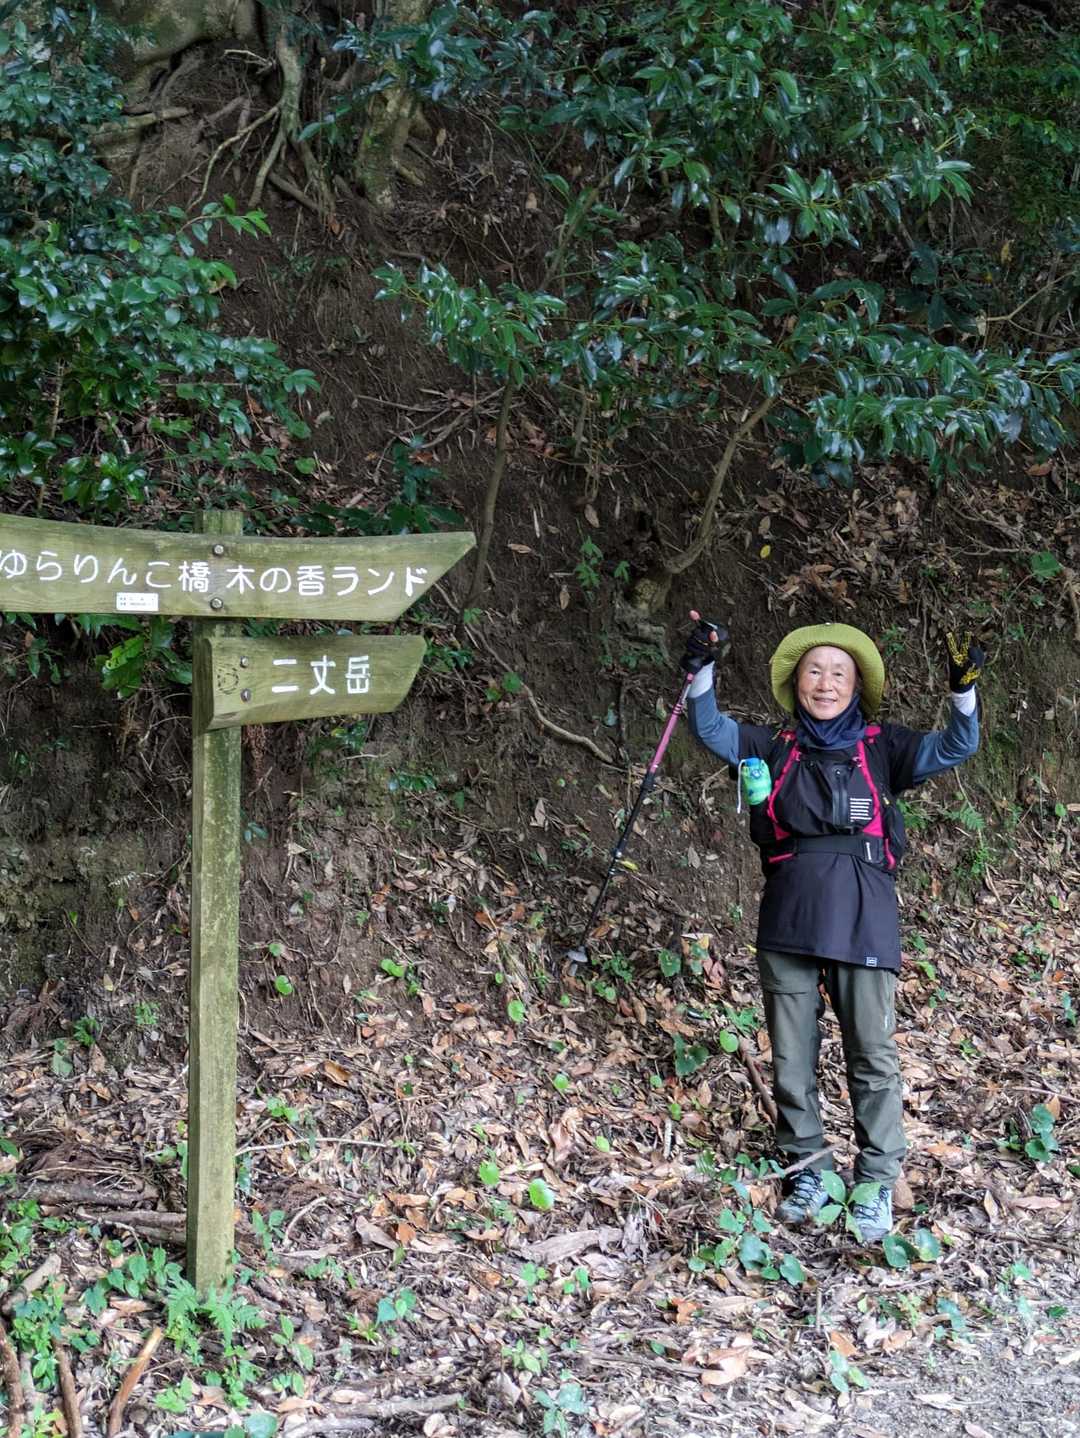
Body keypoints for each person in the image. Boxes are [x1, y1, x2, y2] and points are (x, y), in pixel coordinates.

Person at [682, 616, 984, 1242]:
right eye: (814, 671)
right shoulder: (772, 744)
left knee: (872, 1054)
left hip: (864, 913)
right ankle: (809, 1171)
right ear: (796, 682)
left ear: (856, 685)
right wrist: (702, 665)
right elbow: (708, 727)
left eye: (838, 673)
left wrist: (963, 690)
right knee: (792, 1058)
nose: (825, 683)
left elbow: (957, 746)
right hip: (789, 913)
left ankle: (875, 1183)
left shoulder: (884, 746)